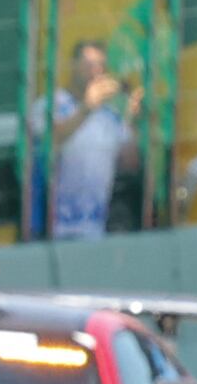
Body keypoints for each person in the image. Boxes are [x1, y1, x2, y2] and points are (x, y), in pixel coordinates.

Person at [49, 41, 135, 239]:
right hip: (55, 230)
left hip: (96, 229)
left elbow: (129, 163)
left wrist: (132, 117)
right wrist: (87, 107)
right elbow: (52, 140)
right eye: (88, 65)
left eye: (100, 66)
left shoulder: (110, 116)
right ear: (72, 66)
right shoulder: (51, 105)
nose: (95, 71)